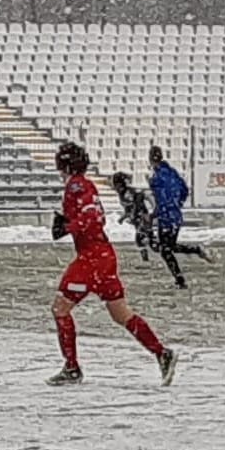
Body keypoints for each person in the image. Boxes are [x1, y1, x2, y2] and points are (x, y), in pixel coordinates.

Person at [47, 142, 177, 386]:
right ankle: (161, 353)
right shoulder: (85, 185)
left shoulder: (75, 185)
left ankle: (72, 367)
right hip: (104, 256)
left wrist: (67, 227)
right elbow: (98, 215)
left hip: (91, 258)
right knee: (121, 314)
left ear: (63, 164)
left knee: (60, 308)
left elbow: (92, 218)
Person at [147, 145, 214, 290]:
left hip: (166, 217)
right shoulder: (173, 173)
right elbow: (184, 190)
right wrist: (178, 204)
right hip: (176, 216)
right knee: (169, 247)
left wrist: (154, 215)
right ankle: (195, 251)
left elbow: (162, 201)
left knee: (166, 250)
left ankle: (180, 279)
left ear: (151, 159)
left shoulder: (156, 179)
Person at [110, 171, 157, 265]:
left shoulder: (132, 192)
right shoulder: (122, 195)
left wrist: (154, 208)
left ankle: (146, 260)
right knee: (150, 241)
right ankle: (161, 248)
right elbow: (129, 209)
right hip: (136, 219)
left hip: (143, 217)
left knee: (140, 238)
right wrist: (123, 217)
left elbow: (146, 196)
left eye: (117, 185)